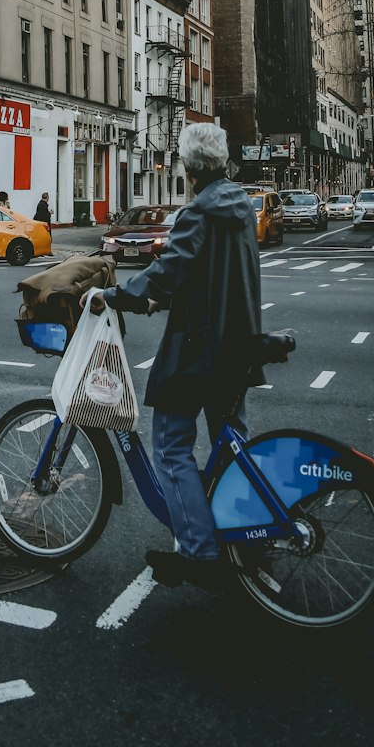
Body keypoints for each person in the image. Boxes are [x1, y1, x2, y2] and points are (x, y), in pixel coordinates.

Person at [82, 122, 260, 591]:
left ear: (187, 167)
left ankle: (200, 551)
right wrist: (167, 297)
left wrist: (118, 295)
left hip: (200, 348)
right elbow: (210, 274)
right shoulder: (240, 206)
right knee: (230, 442)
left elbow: (171, 268)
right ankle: (246, 532)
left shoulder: (199, 212)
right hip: (237, 342)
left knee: (170, 447)